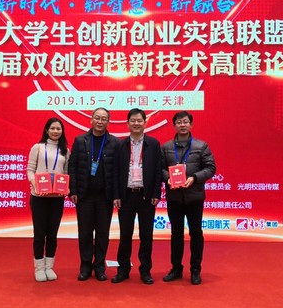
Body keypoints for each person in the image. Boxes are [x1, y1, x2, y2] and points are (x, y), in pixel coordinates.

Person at [161, 111, 216, 285]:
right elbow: (159, 169)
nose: (182, 125)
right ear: (174, 126)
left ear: (191, 125)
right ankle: (176, 268)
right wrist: (167, 178)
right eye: (179, 122)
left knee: (196, 233)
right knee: (176, 234)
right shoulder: (166, 147)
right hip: (175, 197)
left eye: (185, 122)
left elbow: (211, 168)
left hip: (194, 197)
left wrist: (195, 178)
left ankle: (195, 270)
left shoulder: (201, 146)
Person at [112, 108, 162, 285]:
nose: (136, 123)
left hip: (146, 196)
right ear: (127, 123)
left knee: (146, 236)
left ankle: (145, 271)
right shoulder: (120, 145)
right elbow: (115, 172)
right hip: (126, 196)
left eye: (139, 120)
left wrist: (156, 193)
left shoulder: (153, 144)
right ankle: (123, 270)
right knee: (125, 235)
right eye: (132, 120)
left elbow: (158, 170)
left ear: (145, 122)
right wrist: (116, 195)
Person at [69, 108, 119, 281]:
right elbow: (72, 166)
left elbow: (117, 171)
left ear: (108, 122)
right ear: (91, 119)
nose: (100, 121)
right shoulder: (80, 140)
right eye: (97, 118)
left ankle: (99, 267)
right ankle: (85, 266)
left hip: (105, 196)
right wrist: (73, 190)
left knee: (102, 233)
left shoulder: (114, 142)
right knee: (85, 233)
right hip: (84, 195)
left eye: (104, 119)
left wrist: (116, 195)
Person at [27, 117, 70, 282]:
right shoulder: (37, 148)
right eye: (52, 128)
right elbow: (30, 169)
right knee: (39, 234)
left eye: (58, 129)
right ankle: (39, 268)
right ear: (46, 130)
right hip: (39, 197)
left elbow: (66, 173)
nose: (55, 131)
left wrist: (66, 187)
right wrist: (35, 184)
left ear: (62, 131)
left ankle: (49, 266)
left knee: (52, 233)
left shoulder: (65, 150)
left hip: (57, 198)